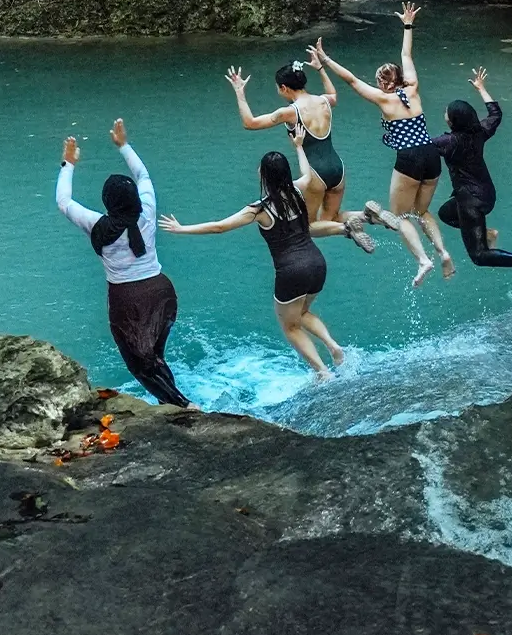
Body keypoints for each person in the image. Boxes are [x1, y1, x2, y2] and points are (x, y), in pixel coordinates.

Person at [159, 126, 364, 380]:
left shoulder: (259, 210)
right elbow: (308, 175)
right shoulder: (299, 191)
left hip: (292, 271)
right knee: (301, 314)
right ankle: (334, 347)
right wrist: (299, 145)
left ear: (264, 176)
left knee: (290, 326)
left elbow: (219, 227)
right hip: (317, 264)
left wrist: (181, 229)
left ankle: (323, 373)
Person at [313, 2, 455, 287]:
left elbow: (351, 80)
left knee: (400, 215)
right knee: (422, 211)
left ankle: (423, 260)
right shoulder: (412, 88)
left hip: (409, 158)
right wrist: (407, 25)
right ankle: (442, 252)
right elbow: (406, 53)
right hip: (431, 155)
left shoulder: (384, 99)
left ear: (382, 83)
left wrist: (325, 61)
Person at [56, 118, 191, 407]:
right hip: (161, 292)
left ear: (108, 202)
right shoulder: (148, 212)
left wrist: (68, 164)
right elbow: (143, 176)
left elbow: (64, 202)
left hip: (127, 301)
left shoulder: (97, 225)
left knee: (140, 365)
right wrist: (124, 145)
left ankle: (183, 406)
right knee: (153, 355)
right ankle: (170, 403)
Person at [225, 57, 398, 245]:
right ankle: (370, 215)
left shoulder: (289, 112)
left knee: (307, 225)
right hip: (337, 169)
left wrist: (239, 93)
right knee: (331, 217)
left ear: (284, 88)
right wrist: (321, 69)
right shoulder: (324, 101)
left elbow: (250, 123)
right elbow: (333, 95)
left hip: (315, 173)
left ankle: (347, 229)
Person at [431, 67, 512, 287]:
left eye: (447, 112)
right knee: (445, 213)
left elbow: (420, 146)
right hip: (488, 195)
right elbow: (495, 114)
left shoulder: (448, 142)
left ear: (451, 122)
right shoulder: (479, 132)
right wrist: (481, 88)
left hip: (470, 202)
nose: (444, 114)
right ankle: (487, 232)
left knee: (479, 256)